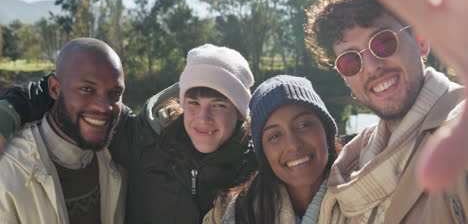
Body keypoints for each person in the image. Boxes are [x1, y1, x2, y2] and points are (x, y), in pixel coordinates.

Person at [0, 44, 257, 224]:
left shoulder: (257, 168)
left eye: (219, 105)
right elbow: (72, 92)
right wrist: (8, 113)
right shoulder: (143, 138)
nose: (203, 118)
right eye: (193, 102)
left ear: (240, 111)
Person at [306, 0, 467, 223]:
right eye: (351, 60)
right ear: (346, 78)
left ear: (421, 41)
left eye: (383, 43)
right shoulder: (350, 163)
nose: (371, 67)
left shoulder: (460, 135)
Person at [0, 38, 127, 223]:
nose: (104, 107)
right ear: (54, 89)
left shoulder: (117, 157)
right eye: (87, 89)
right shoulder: (9, 176)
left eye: (115, 94)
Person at [203, 75, 341, 224]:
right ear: (263, 152)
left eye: (303, 125)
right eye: (275, 136)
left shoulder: (366, 199)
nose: (292, 144)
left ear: (326, 130)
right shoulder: (231, 213)